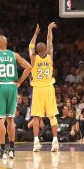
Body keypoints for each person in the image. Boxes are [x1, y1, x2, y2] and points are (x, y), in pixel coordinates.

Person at [0, 35, 32, 159]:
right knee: (10, 120)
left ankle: (3, 150)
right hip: (11, 87)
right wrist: (19, 82)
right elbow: (29, 67)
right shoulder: (14, 55)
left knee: (0, 120)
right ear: (7, 43)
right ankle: (12, 150)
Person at [29, 22, 60, 152]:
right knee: (52, 116)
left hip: (38, 89)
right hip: (49, 88)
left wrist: (35, 34)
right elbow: (50, 41)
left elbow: (30, 45)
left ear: (37, 51)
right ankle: (55, 142)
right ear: (45, 50)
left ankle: (36, 142)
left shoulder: (33, 58)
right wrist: (48, 29)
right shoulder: (50, 56)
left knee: (36, 116)